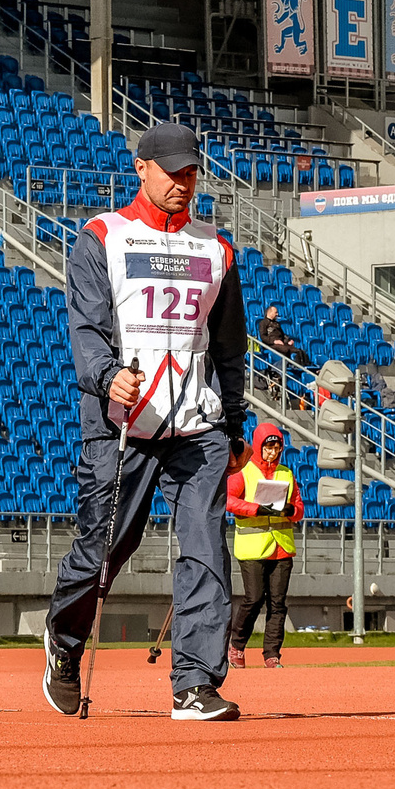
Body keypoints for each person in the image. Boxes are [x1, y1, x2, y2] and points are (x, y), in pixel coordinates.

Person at [44, 121, 247, 723]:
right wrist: (108, 376)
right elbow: (86, 330)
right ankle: (65, 640)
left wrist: (235, 423)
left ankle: (195, 683)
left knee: (206, 548)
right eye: (172, 171)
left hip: (198, 427)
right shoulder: (101, 238)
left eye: (192, 172)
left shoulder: (217, 249)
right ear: (141, 168)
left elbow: (229, 347)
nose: (183, 182)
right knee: (105, 548)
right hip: (122, 422)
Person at [225, 424, 302, 668]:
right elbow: (228, 500)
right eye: (269, 447)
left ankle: (272, 654)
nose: (273, 452)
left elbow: (299, 507)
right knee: (254, 598)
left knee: (278, 604)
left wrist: (291, 510)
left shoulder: (286, 473)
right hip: (252, 547)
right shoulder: (244, 471)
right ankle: (237, 646)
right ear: (259, 446)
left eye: (277, 447)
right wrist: (256, 509)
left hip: (281, 547)